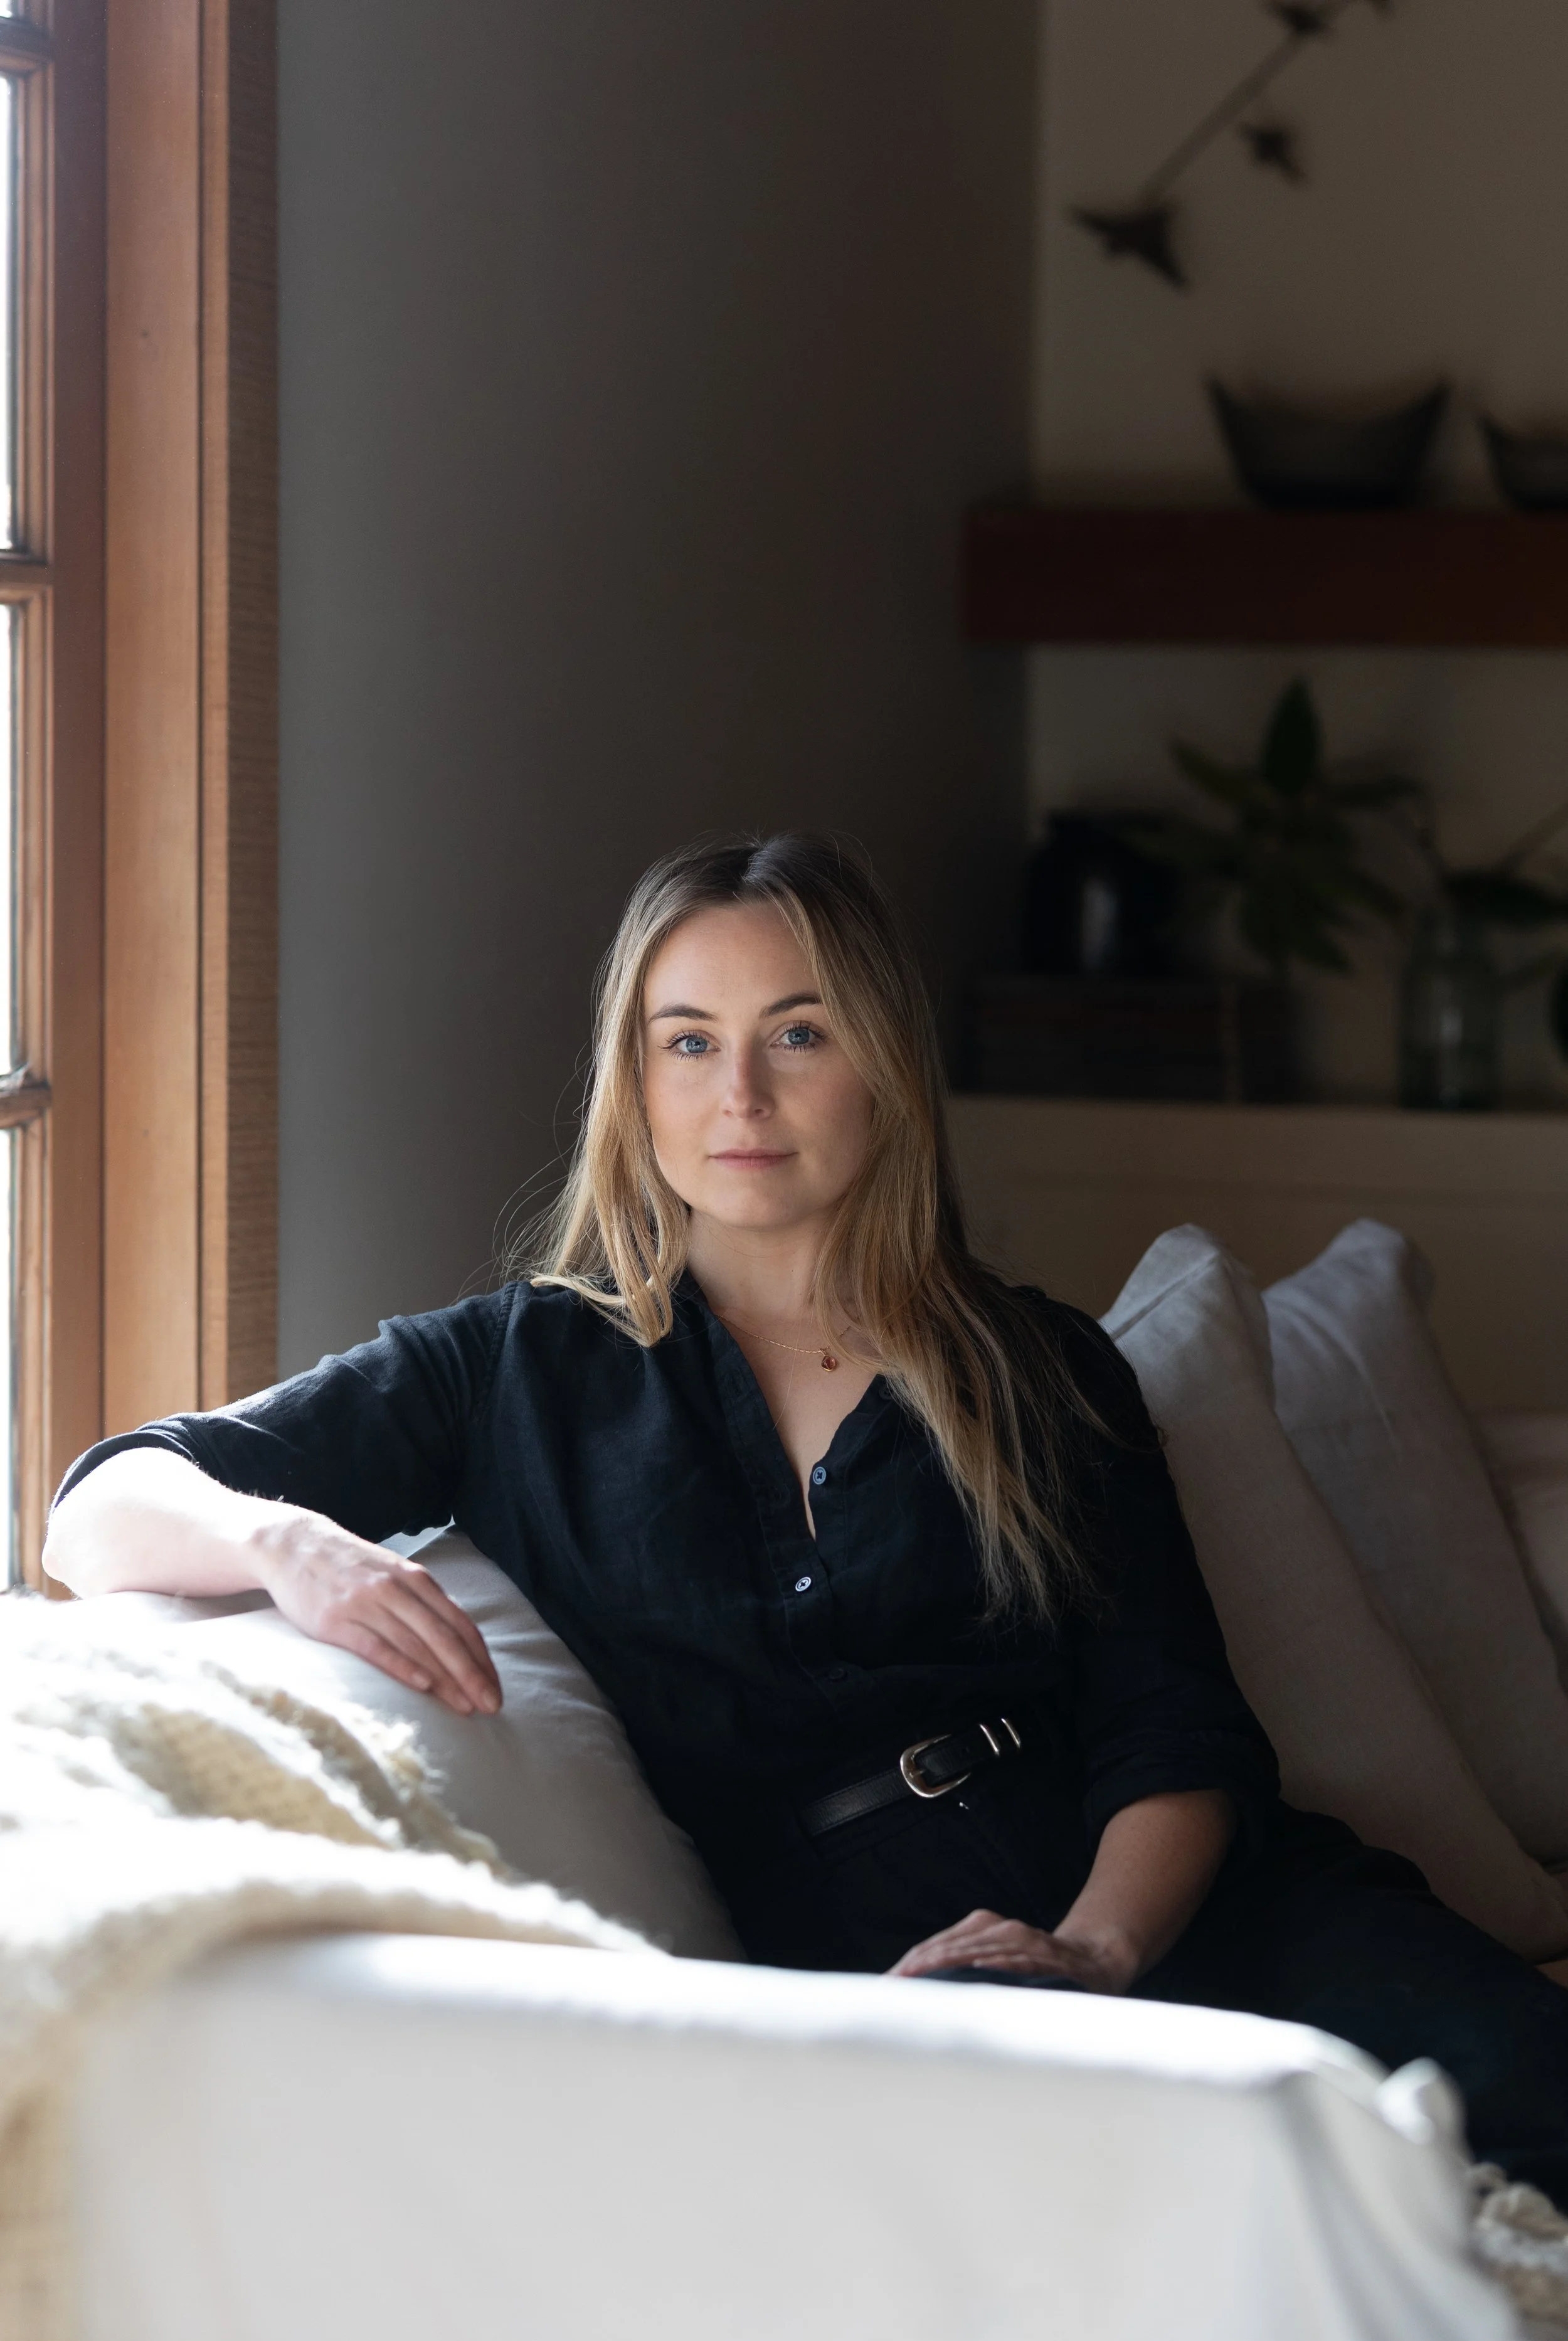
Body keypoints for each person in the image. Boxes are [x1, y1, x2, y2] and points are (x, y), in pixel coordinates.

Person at [46, 832, 1568, 2199]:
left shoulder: (1033, 1364)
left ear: (883, 1068)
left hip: (1187, 1908)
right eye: (687, 1042)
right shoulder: (518, 1367)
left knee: (1532, 2108)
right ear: (632, 1085)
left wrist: (1097, 1951)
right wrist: (285, 1541)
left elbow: (1169, 1723)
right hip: (884, 1977)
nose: (741, 1097)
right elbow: (100, 1507)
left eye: (797, 1035)